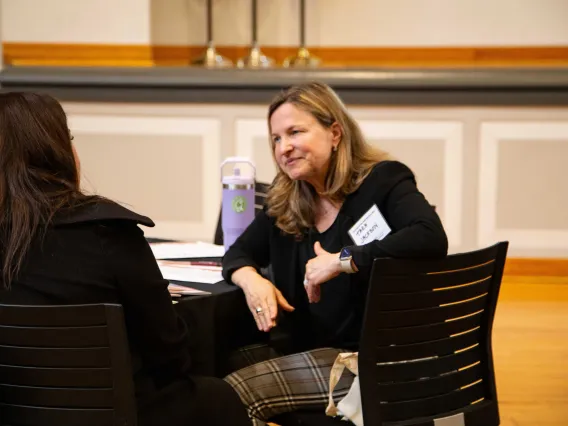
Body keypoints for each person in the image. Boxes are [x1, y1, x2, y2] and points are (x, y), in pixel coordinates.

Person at [0, 92, 251, 426]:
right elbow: (170, 354)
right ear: (56, 150)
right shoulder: (107, 232)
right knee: (218, 396)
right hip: (118, 413)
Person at [222, 82, 449, 425]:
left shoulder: (382, 181)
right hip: (311, 347)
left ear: (335, 133)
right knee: (214, 365)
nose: (284, 147)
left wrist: (343, 260)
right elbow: (238, 253)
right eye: (276, 139)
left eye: (295, 132)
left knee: (235, 394)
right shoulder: (288, 200)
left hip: (375, 357)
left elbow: (430, 237)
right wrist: (252, 280)